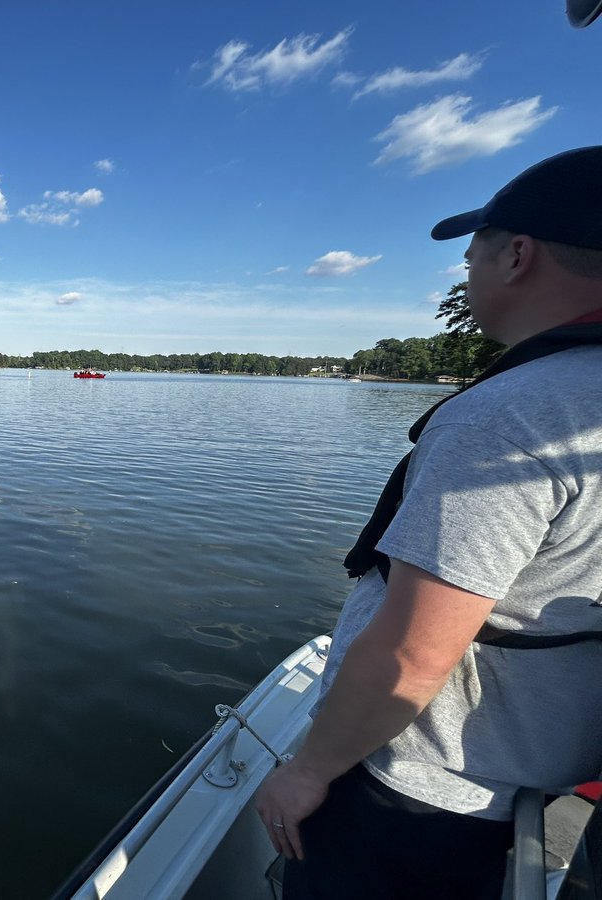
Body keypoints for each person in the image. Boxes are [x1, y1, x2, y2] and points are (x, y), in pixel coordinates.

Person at [255, 146, 602, 899]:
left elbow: (414, 654)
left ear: (517, 255)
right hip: (534, 773)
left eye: (472, 251)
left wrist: (310, 769)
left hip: (419, 792)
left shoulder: (514, 416)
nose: (465, 270)